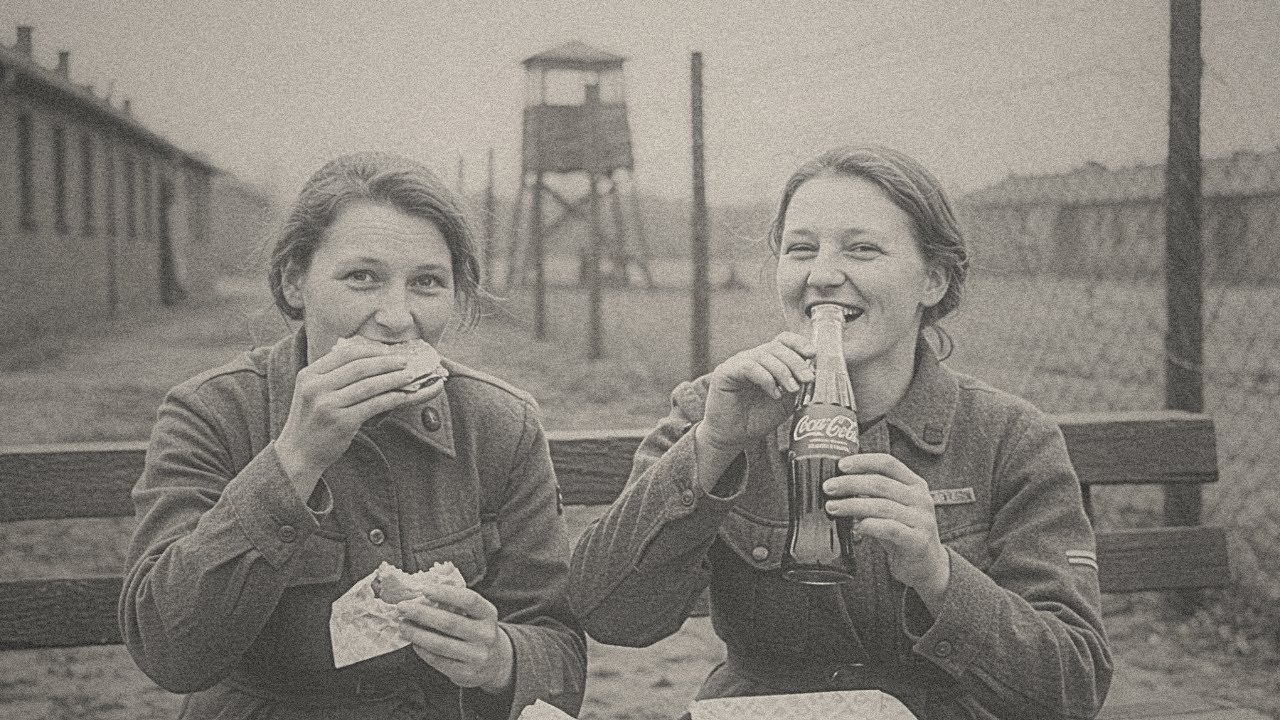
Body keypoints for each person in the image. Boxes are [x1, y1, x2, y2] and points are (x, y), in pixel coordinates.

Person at [569, 146, 1112, 719]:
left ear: (933, 279)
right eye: (801, 248)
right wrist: (712, 448)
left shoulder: (1010, 438)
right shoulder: (717, 410)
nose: (823, 274)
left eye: (863, 249)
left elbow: (1071, 687)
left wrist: (939, 573)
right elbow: (609, 613)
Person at [119, 151, 586, 720]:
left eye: (427, 283)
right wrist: (294, 460)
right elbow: (169, 651)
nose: (396, 316)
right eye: (362, 278)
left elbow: (559, 650)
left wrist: (501, 658)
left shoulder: (500, 424)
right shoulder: (210, 412)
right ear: (295, 282)